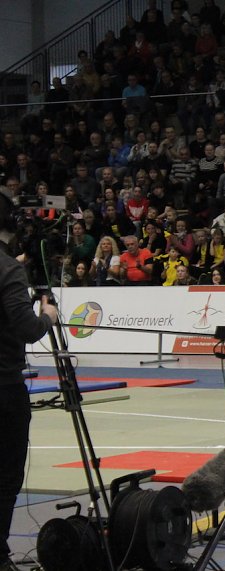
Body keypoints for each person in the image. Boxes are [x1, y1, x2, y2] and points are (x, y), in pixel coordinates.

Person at [0, 193, 58, 571]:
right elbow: (27, 327)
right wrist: (48, 315)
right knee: (5, 474)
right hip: (3, 388)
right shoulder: (9, 270)